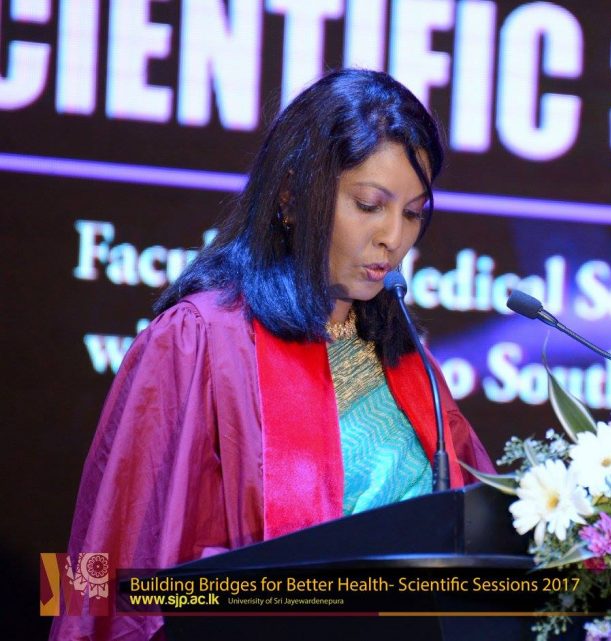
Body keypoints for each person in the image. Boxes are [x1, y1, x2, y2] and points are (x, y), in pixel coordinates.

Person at [50, 69, 495, 641]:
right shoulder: (197, 340)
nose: (394, 237)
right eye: (369, 204)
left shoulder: (411, 368)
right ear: (291, 195)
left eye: (411, 213)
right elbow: (109, 553)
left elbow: (479, 537)